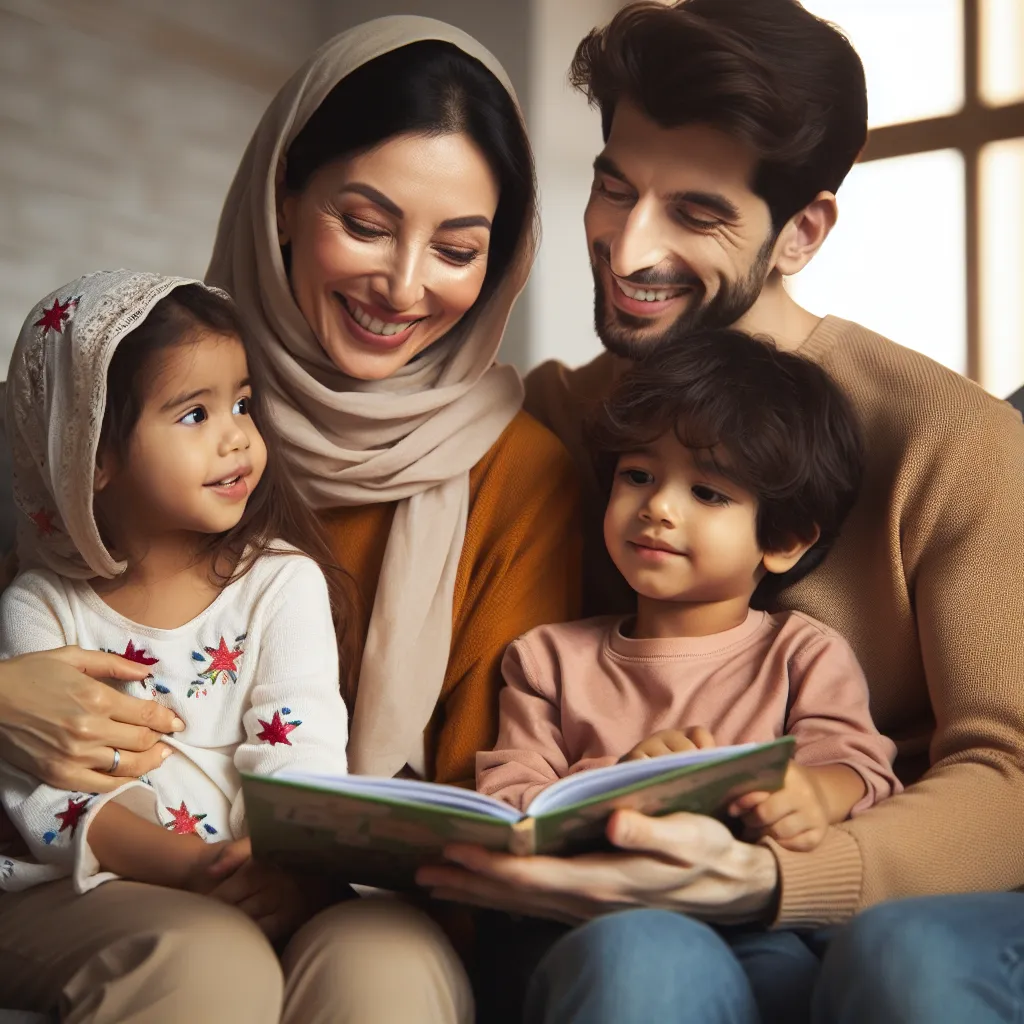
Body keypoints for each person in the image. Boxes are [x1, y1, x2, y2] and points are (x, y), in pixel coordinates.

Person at [416, 2, 1024, 1022]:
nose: (625, 245)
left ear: (801, 233)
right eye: (614, 187)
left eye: (696, 215)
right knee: (640, 966)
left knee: (902, 959)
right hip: (615, 908)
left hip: (889, 893)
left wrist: (776, 878)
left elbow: (1009, 773)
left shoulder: (955, 443)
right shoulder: (557, 418)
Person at [0, 18, 579, 1024]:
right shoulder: (103, 398)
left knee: (385, 976)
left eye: (456, 248)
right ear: (282, 198)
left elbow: (490, 788)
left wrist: (310, 866)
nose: (403, 287)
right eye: (364, 223)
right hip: (111, 884)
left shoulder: (523, 474)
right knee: (200, 968)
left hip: (376, 894)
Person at [0, 270, 360, 1008]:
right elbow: (56, 802)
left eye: (243, 404)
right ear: (91, 454)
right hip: (111, 889)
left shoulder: (282, 583)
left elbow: (301, 748)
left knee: (380, 954)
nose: (237, 437)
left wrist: (283, 866)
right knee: (211, 959)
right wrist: (198, 873)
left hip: (265, 874)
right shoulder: (41, 607)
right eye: (194, 414)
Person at [478, 331, 900, 860]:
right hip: (592, 916)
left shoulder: (800, 655)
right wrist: (615, 790)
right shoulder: (545, 663)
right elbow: (508, 804)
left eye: (707, 492)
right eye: (638, 475)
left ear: (784, 540)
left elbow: (860, 770)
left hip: (756, 921)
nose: (658, 507)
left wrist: (812, 793)